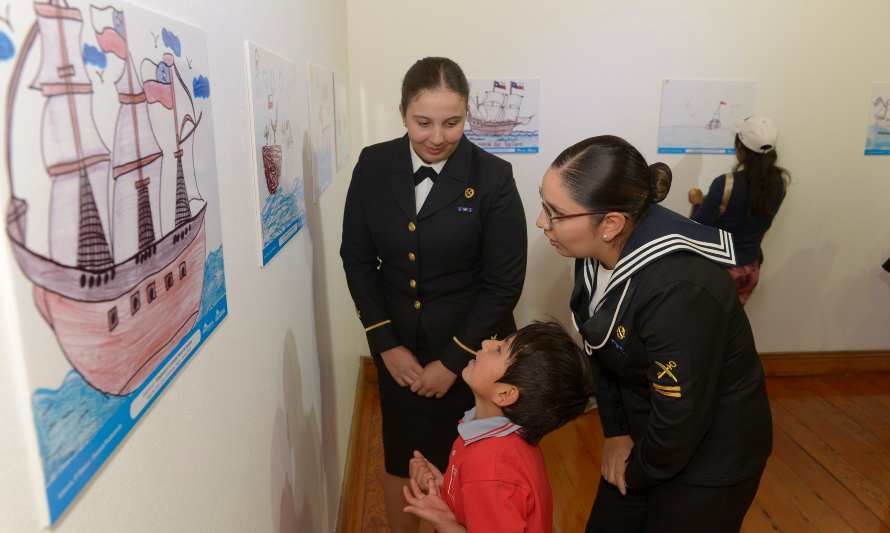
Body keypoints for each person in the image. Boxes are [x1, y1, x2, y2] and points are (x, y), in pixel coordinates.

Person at [537, 135, 772, 533]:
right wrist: (616, 433)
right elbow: (600, 347)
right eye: (542, 204)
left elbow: (680, 416)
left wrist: (637, 472)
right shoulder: (595, 251)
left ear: (610, 223)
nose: (542, 222)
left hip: (708, 458)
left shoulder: (681, 289)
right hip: (647, 435)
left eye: (554, 212)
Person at [340, 56, 527, 533]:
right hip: (399, 342)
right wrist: (385, 344)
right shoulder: (374, 164)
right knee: (404, 455)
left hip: (473, 347)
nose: (438, 136)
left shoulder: (494, 177)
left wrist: (452, 361)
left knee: (472, 463)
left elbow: (503, 283)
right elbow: (358, 260)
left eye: (452, 122)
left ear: (467, 115)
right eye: (423, 122)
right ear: (402, 112)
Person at [403, 321, 593, 533]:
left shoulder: (489, 470)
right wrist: (447, 484)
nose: (486, 343)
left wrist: (444, 523)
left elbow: (489, 485)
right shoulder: (503, 440)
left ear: (505, 394)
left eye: (499, 349)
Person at [688, 115, 790, 304]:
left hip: (721, 273)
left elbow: (698, 229)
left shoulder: (726, 184)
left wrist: (697, 203)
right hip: (749, 271)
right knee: (731, 327)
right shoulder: (778, 184)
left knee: (706, 327)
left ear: (741, 149)